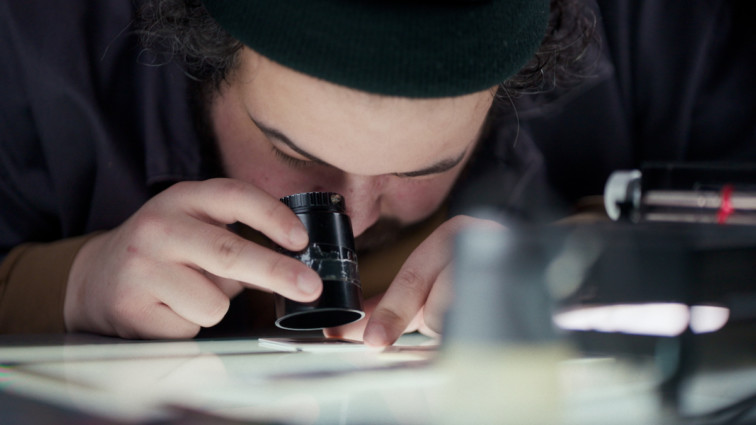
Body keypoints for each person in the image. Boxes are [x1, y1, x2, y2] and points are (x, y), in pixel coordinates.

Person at [2, 0, 753, 344]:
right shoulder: (32, 41)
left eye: (425, 166)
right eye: (293, 152)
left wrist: (602, 262)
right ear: (197, 38)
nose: (355, 216)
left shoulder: (668, 26)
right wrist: (66, 284)